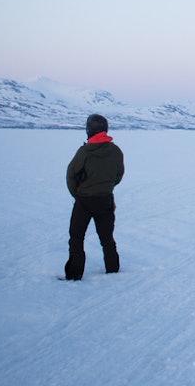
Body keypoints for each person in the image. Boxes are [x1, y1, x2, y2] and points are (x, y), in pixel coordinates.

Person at [64, 114, 125, 280]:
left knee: (76, 238)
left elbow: (70, 175)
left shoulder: (84, 152)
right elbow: (119, 175)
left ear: (89, 130)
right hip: (105, 199)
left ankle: (74, 274)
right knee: (107, 238)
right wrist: (106, 186)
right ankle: (113, 270)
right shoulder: (116, 151)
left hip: (84, 200)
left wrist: (77, 194)